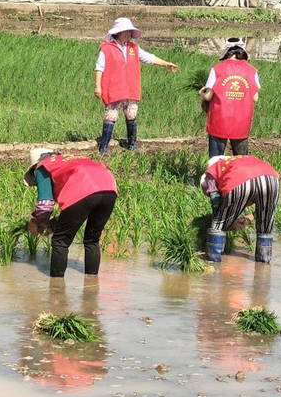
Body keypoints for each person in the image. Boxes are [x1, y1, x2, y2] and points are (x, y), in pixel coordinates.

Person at [25, 149, 118, 279]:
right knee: (92, 240)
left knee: (60, 241)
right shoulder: (68, 160)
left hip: (83, 188)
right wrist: (51, 225)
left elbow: (45, 205)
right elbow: (76, 213)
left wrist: (35, 223)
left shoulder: (41, 168)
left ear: (34, 167)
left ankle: (56, 288)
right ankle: (91, 284)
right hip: (110, 188)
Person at [94, 17, 178, 154]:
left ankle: (132, 144)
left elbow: (149, 58)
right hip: (114, 88)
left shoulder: (133, 48)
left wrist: (165, 64)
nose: (128, 34)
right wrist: (98, 86)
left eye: (129, 31)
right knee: (111, 115)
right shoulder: (106, 49)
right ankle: (103, 148)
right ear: (117, 32)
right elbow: (99, 68)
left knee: (131, 115)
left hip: (130, 88)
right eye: (125, 31)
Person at [200, 155, 280, 264]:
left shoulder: (211, 172)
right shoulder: (239, 160)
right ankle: (263, 264)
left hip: (241, 179)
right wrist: (249, 218)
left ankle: (212, 261)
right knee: (265, 227)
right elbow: (265, 209)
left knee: (218, 225)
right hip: (272, 179)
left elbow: (215, 200)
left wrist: (222, 220)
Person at [199, 37, 261, 157]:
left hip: (219, 120)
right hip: (241, 122)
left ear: (226, 53)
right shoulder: (251, 70)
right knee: (241, 160)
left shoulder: (217, 68)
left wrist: (201, 92)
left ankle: (217, 176)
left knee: (216, 160)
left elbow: (208, 96)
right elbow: (255, 98)